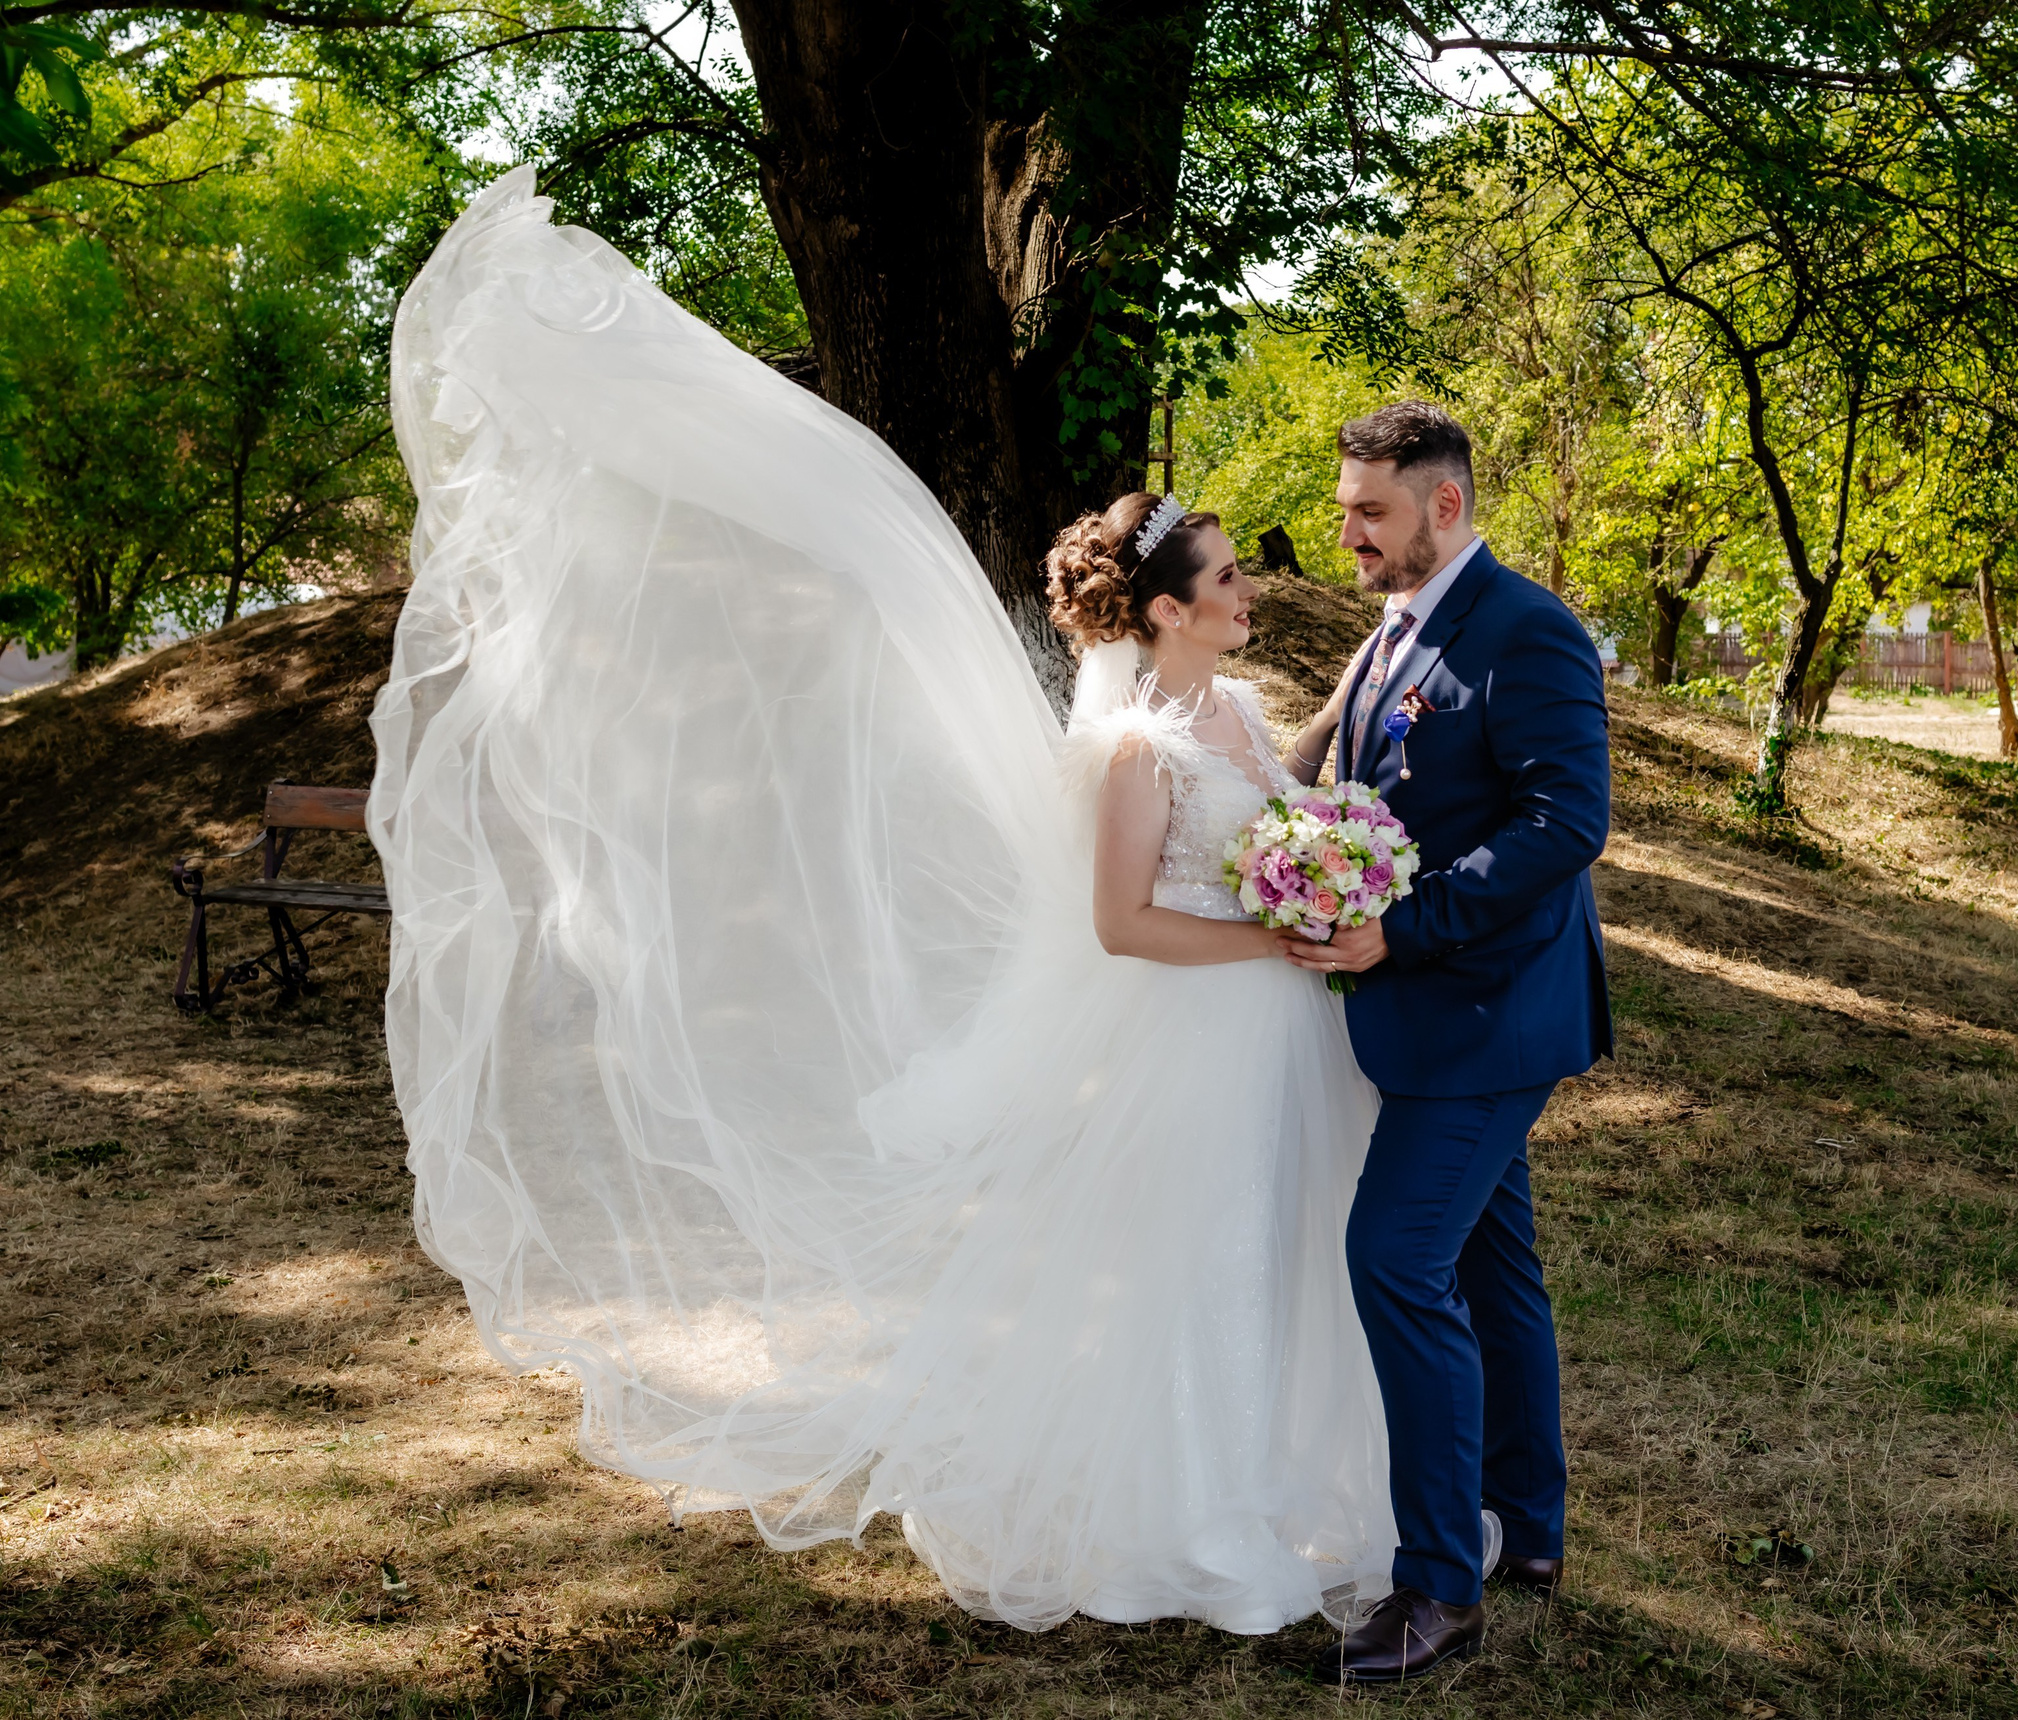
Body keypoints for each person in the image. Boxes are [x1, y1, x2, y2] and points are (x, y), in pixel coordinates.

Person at [371, 168, 1446, 1635]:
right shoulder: (1130, 751)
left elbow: (1286, 805)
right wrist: (1277, 928)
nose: (1251, 588)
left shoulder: (1246, 715)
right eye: (1226, 577)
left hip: (1284, 1033)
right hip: (1196, 1037)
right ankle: (1193, 1515)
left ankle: (1276, 1482)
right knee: (1207, 1265)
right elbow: (1121, 925)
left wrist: (1340, 850)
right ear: (1166, 610)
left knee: (1289, 1255)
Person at [1278, 403, 1614, 1680]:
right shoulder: (1392, 628)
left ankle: (1436, 1587)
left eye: (1371, 511)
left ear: (1446, 503)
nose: (1348, 534)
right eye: (1347, 509)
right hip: (1434, 1012)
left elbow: (1565, 822)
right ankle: (1526, 1529)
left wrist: (1402, 929)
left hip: (1490, 1009)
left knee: (1393, 1257)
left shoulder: (1527, 629)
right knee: (1491, 1264)